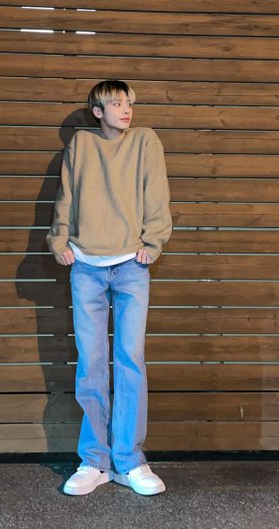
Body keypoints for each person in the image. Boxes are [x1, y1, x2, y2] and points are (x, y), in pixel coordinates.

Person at [46, 80, 172, 496]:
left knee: (131, 361)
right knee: (92, 364)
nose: (126, 109)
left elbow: (157, 195)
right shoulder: (81, 144)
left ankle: (129, 460)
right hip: (86, 265)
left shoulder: (145, 141)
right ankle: (94, 461)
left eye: (129, 102)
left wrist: (153, 242)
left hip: (132, 264)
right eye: (116, 103)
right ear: (97, 111)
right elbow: (67, 193)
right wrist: (59, 240)